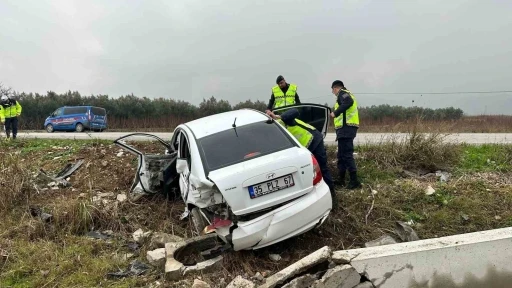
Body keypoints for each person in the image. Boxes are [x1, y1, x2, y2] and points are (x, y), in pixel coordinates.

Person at [272, 108, 338, 209]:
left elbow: (294, 111)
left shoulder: (283, 120)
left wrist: (280, 116)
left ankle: (333, 198)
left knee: (322, 168)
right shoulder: (273, 135)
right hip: (305, 148)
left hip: (315, 140)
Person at [330, 80, 361, 189]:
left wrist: (335, 112)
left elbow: (348, 102)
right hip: (345, 128)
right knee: (341, 155)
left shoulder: (343, 93)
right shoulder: (346, 93)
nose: (334, 93)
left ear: (335, 88)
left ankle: (354, 181)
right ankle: (341, 179)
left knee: (347, 154)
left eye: (333, 91)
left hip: (346, 128)